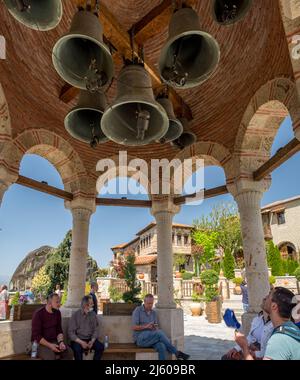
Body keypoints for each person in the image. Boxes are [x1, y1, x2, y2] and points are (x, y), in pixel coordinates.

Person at [235, 287, 300, 360]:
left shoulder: (278, 339)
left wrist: (244, 347)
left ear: (274, 306)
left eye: (269, 295)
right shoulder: (291, 328)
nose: (265, 297)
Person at [132, 294, 190, 360]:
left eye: (151, 303)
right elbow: (134, 327)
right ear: (144, 302)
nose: (150, 305)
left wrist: (155, 327)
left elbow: (156, 327)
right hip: (141, 339)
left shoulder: (153, 313)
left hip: (152, 338)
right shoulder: (138, 310)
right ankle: (176, 353)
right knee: (159, 333)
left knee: (161, 346)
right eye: (148, 303)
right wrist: (146, 326)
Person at [31, 293, 73, 360]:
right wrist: (50, 346)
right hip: (39, 343)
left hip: (54, 341)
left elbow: (59, 330)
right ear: (50, 303)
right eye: (57, 302)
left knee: (69, 352)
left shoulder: (57, 312)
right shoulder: (38, 314)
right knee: (50, 356)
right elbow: (36, 336)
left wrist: (61, 342)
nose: (59, 304)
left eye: (59, 301)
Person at [68, 295, 104, 360]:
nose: (93, 305)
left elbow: (96, 329)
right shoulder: (75, 315)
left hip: (90, 339)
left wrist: (92, 341)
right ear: (85, 305)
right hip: (78, 340)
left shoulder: (93, 314)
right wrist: (81, 342)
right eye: (91, 303)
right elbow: (71, 333)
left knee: (100, 347)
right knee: (77, 349)